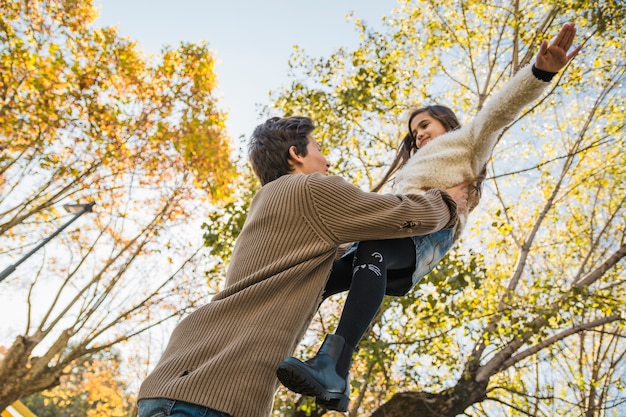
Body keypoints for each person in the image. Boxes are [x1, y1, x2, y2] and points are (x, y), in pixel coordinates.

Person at [276, 22, 582, 412]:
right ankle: (334, 378)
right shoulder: (410, 168)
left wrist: (540, 73)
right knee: (321, 277)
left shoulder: (468, 140)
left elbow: (498, 111)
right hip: (395, 230)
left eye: (425, 125)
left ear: (445, 123)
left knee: (373, 248)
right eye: (413, 131)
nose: (418, 134)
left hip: (430, 232)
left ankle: (331, 363)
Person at [136, 116, 469, 417]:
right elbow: (400, 216)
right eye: (320, 149)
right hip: (204, 395)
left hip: (184, 383)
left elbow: (348, 259)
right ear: (296, 154)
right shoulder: (311, 189)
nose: (327, 160)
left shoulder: (270, 203)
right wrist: (447, 202)